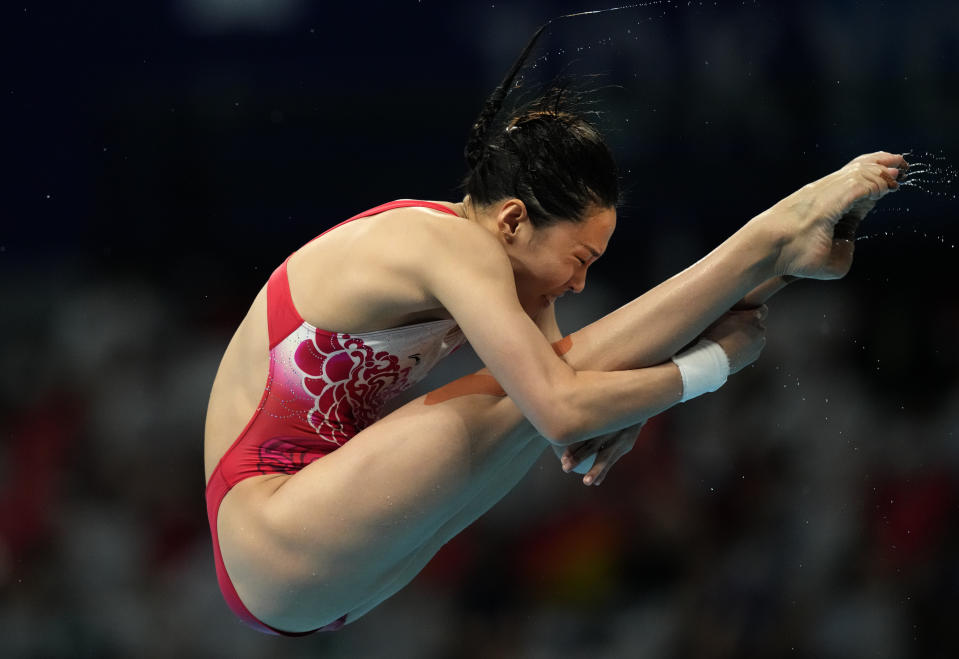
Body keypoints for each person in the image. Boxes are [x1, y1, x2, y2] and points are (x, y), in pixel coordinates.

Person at [203, 56, 906, 634]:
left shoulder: (505, 270)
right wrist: (712, 366)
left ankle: (775, 260)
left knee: (547, 387)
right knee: (529, 401)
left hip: (324, 562)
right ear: (512, 218)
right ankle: (769, 239)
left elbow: (574, 394)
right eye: (578, 258)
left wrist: (630, 403)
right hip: (273, 526)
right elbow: (565, 410)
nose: (576, 284)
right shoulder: (440, 241)